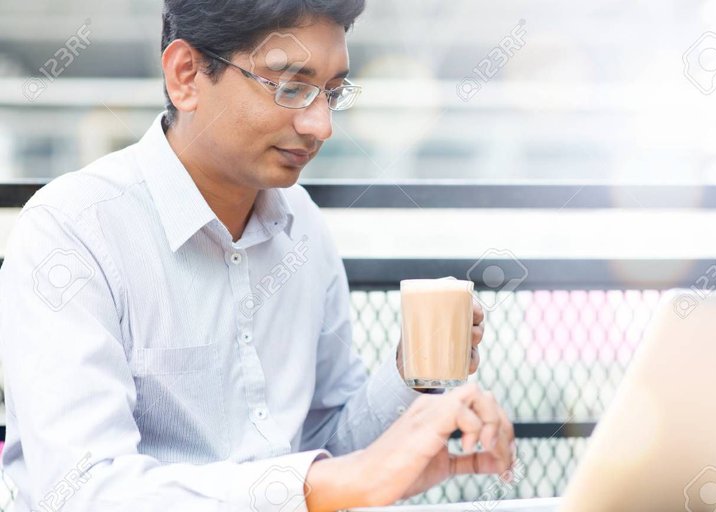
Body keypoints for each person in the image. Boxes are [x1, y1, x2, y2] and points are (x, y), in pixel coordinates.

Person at [0, 1, 515, 510]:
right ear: (186, 75)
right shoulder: (73, 231)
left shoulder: (302, 225)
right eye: (290, 86)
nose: (320, 126)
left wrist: (413, 381)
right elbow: (84, 492)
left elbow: (330, 446)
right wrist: (317, 486)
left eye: (333, 93)